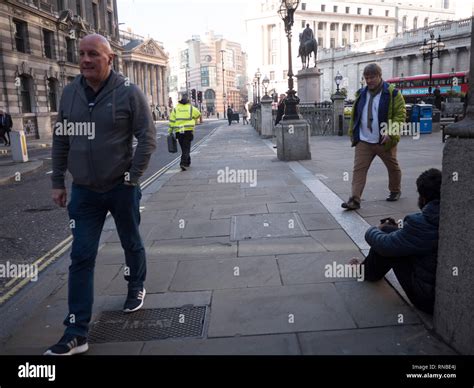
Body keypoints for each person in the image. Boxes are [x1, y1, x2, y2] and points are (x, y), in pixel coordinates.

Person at [45, 34, 156, 356]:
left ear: (110, 59)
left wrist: (131, 179)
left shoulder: (128, 93)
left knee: (130, 241)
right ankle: (76, 332)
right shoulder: (69, 94)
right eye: (81, 54)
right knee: (80, 256)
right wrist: (57, 182)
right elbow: (60, 141)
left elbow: (147, 139)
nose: (85, 60)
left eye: (93, 54)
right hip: (84, 193)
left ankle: (136, 286)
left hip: (120, 189)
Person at [351, 168, 442, 314]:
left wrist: (375, 229)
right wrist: (401, 230)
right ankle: (367, 269)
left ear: (423, 197)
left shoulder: (422, 223)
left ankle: (365, 271)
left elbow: (385, 245)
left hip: (427, 299)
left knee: (387, 240)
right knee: (396, 237)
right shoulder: (448, 215)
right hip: (441, 288)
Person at [342, 63, 405, 210]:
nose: (369, 81)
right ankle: (355, 200)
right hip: (363, 140)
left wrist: (391, 132)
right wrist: (353, 133)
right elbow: (356, 115)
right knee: (359, 170)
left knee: (392, 166)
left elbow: (400, 115)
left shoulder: (392, 93)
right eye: (366, 78)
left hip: (383, 140)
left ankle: (395, 190)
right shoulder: (361, 93)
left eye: (372, 77)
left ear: (380, 76)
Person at [169, 93, 201, 171]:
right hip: (188, 131)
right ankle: (183, 163)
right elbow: (198, 114)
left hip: (179, 132)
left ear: (180, 101)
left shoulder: (176, 109)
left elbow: (172, 120)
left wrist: (170, 131)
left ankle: (187, 162)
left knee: (184, 148)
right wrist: (193, 118)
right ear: (188, 101)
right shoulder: (191, 108)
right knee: (186, 148)